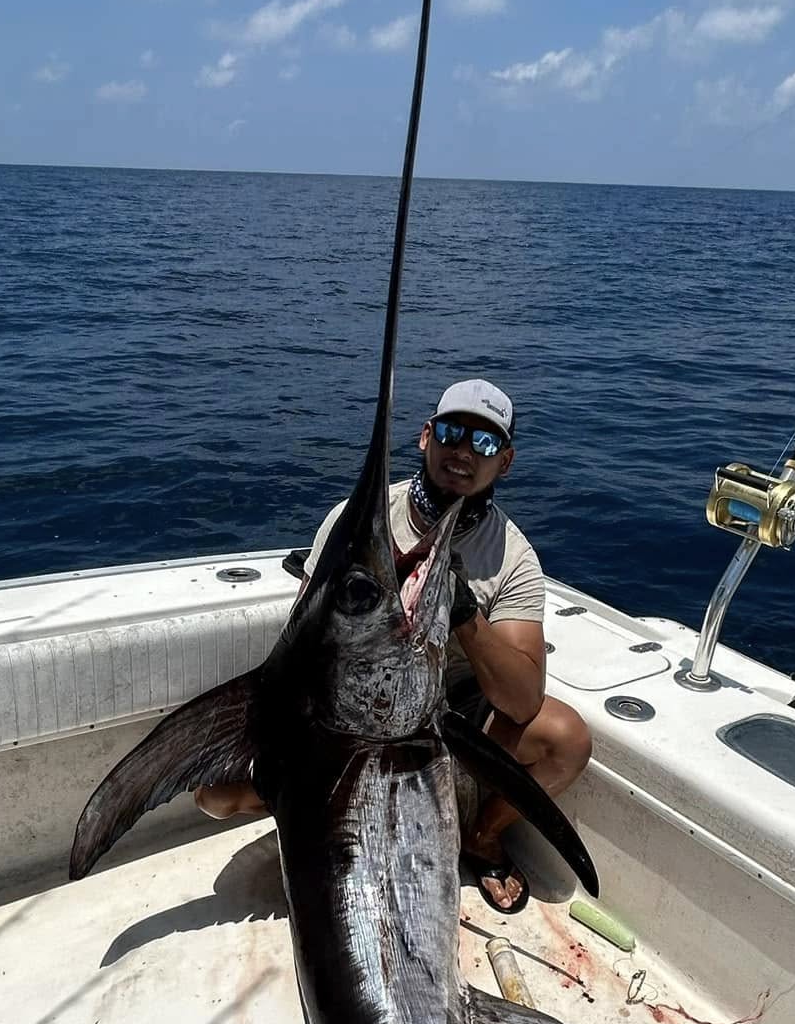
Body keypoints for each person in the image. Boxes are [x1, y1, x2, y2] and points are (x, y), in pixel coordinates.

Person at [196, 377, 590, 914]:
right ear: (426, 436)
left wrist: (464, 615)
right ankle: (324, 815)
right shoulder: (356, 520)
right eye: (453, 432)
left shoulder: (513, 556)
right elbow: (304, 645)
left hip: (448, 716)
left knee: (564, 739)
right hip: (353, 710)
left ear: (506, 462)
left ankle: (481, 836)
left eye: (486, 442)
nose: (464, 451)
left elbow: (521, 702)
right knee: (217, 794)